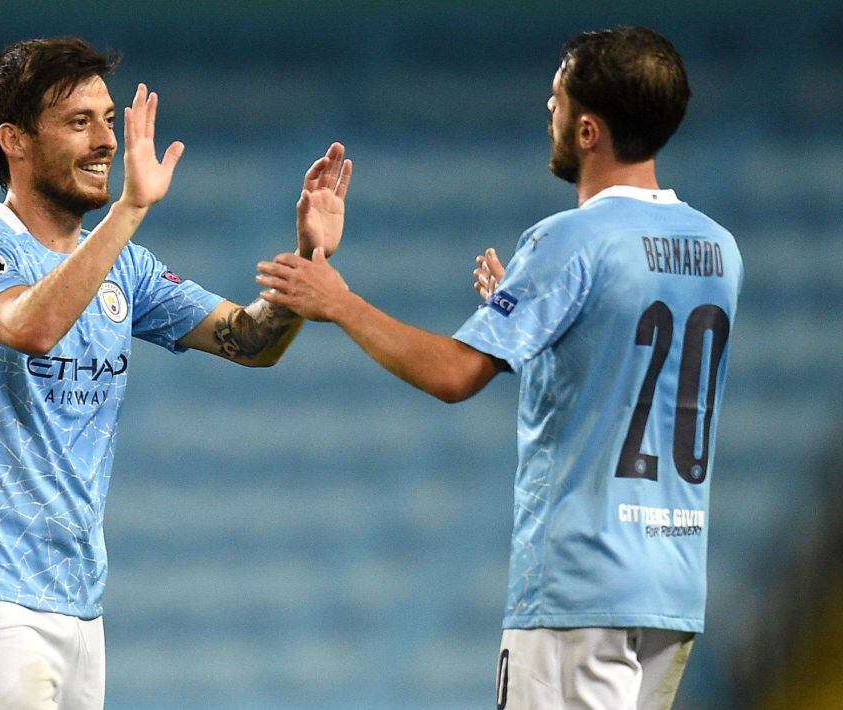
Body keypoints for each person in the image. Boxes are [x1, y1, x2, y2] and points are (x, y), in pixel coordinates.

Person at [257, 26, 741, 710]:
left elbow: (456, 375)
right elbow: (627, 367)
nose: (550, 111)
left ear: (588, 131)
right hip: (671, 587)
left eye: (558, 99)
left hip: (580, 586)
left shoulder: (568, 239)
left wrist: (340, 303)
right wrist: (531, 320)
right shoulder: (719, 248)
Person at [0, 37, 351, 709]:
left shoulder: (126, 265)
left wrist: (306, 260)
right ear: (15, 140)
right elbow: (32, 327)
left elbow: (250, 342)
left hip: (80, 601)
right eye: (78, 122)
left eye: (109, 120)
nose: (106, 143)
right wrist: (130, 211)